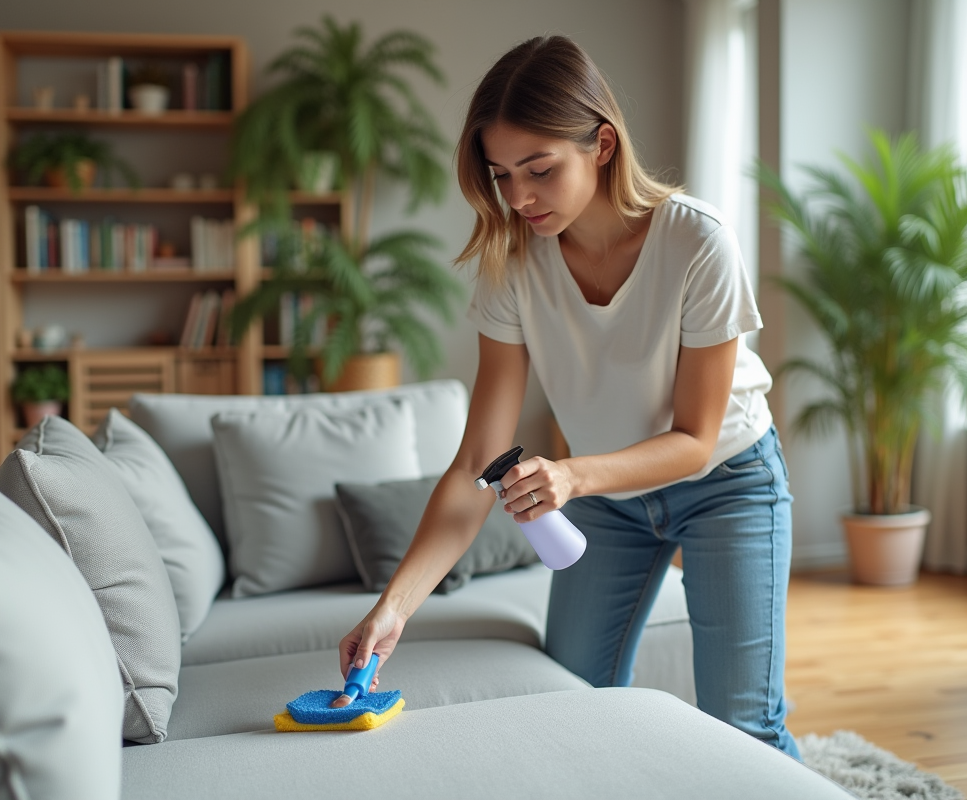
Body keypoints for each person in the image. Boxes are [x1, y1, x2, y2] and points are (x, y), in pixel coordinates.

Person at [335, 34, 799, 758]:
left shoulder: (697, 242)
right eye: (501, 174)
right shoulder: (512, 263)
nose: (518, 197)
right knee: (572, 707)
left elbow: (695, 440)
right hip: (606, 501)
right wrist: (392, 609)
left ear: (603, 145)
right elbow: (474, 467)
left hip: (727, 483)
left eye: (539, 169)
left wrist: (572, 475)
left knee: (744, 731)